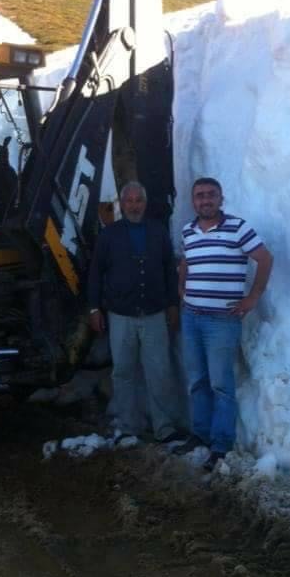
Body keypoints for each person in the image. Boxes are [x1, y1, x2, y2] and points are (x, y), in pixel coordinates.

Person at [177, 177, 273, 471]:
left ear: (221, 198)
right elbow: (185, 262)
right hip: (191, 317)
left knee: (221, 384)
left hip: (222, 320)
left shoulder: (238, 228)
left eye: (210, 195)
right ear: (193, 201)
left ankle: (220, 444)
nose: (205, 200)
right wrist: (182, 290)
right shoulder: (188, 231)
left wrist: (252, 297)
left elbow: (265, 259)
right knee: (197, 381)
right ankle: (200, 434)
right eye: (199, 196)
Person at [88, 181, 187, 445]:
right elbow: (96, 273)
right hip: (120, 316)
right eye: (129, 201)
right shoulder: (109, 235)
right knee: (123, 371)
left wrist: (172, 304)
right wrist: (95, 308)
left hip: (154, 314)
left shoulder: (158, 232)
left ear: (145, 203)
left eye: (138, 200)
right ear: (122, 204)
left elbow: (169, 270)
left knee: (159, 371)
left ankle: (164, 427)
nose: (134, 205)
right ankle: (129, 425)